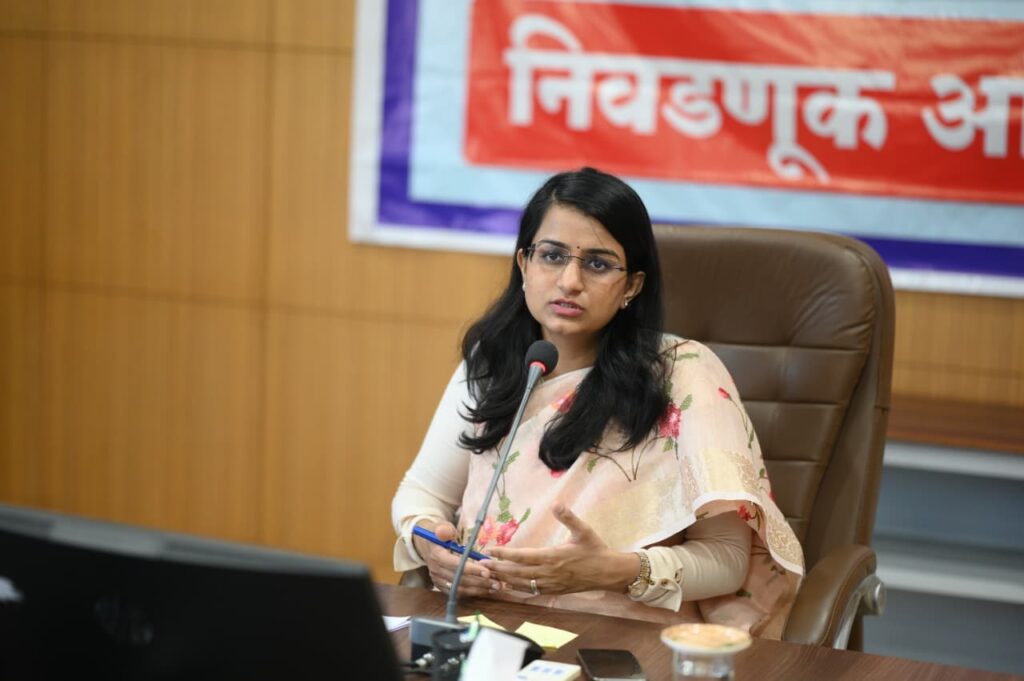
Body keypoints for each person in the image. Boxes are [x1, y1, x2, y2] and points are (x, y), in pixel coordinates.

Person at [391, 168, 803, 637]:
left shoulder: (684, 374)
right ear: (524, 264)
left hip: (620, 635)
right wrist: (430, 545)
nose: (569, 281)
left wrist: (612, 572)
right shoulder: (493, 359)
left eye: (598, 264)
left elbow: (726, 561)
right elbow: (421, 495)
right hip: (485, 625)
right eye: (552, 256)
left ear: (632, 286)